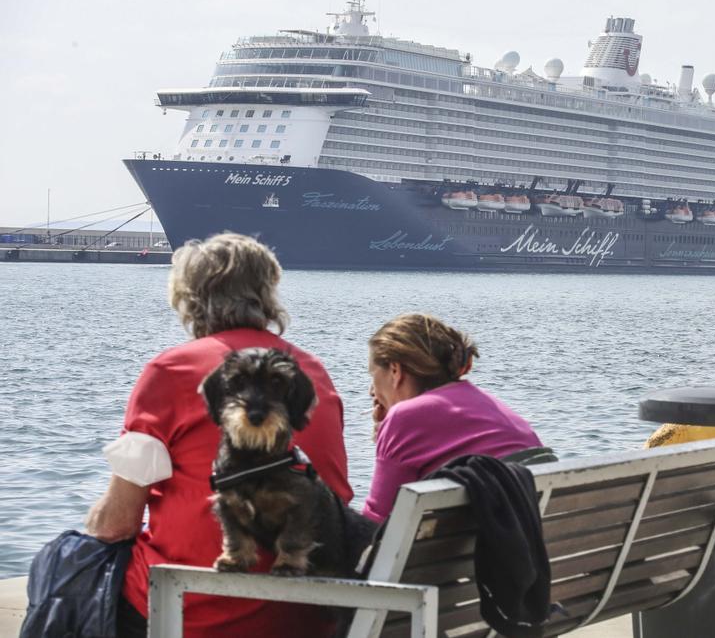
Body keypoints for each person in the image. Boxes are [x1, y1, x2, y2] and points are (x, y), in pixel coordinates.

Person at [84, 233, 352, 638]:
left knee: (69, 568)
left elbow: (117, 524)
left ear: (189, 299)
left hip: (196, 605)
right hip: (308, 613)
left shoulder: (171, 371)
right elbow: (337, 496)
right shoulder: (310, 370)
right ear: (267, 293)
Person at [364, 313, 546, 522]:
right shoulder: (494, 408)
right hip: (526, 547)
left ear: (395, 371)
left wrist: (390, 434)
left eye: (372, 375)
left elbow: (376, 523)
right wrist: (386, 441)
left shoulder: (404, 418)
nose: (372, 391)